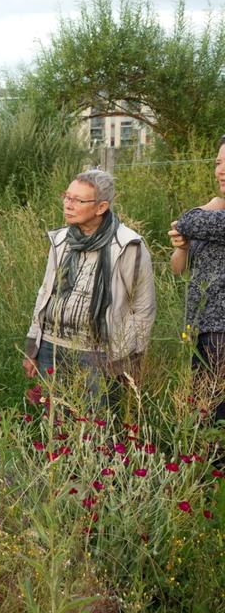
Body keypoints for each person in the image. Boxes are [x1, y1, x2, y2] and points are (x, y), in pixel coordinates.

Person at [23, 169, 155, 405]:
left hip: (99, 354)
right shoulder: (61, 240)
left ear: (101, 207)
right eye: (66, 196)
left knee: (95, 429)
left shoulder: (128, 245)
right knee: (54, 427)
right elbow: (45, 292)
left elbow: (142, 308)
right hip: (51, 348)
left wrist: (128, 360)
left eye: (77, 200)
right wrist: (33, 346)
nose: (68, 204)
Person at [169, 135, 225, 422]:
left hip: (220, 333)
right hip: (202, 332)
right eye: (218, 163)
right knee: (204, 415)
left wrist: (212, 204)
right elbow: (178, 267)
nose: (221, 171)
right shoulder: (214, 220)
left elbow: (188, 221)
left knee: (215, 416)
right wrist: (183, 246)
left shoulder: (214, 215)